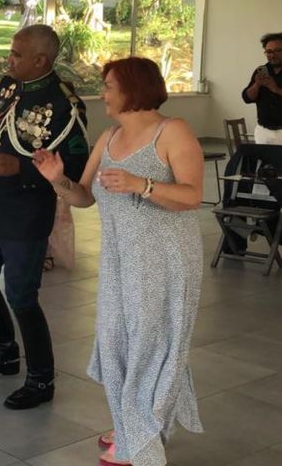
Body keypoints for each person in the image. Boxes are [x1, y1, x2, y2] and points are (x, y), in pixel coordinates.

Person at [33, 57, 204, 466]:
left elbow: (192, 196)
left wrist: (140, 184)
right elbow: (84, 196)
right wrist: (57, 178)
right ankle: (137, 420)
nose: (103, 93)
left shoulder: (172, 131)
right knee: (114, 344)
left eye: (108, 85)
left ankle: (137, 436)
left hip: (166, 259)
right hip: (120, 260)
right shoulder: (108, 137)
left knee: (150, 345)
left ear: (133, 88)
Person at [0, 24, 89, 410]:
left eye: (16, 54)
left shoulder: (65, 103)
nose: (8, 59)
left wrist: (23, 170)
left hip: (29, 210)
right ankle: (3, 352)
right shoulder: (7, 87)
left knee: (21, 294)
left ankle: (41, 378)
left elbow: (77, 165)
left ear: (40, 60)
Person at [242, 32, 282, 144]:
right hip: (263, 131)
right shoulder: (261, 70)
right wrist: (257, 84)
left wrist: (276, 89)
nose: (273, 55)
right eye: (269, 51)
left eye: (278, 50)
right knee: (264, 161)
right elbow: (247, 98)